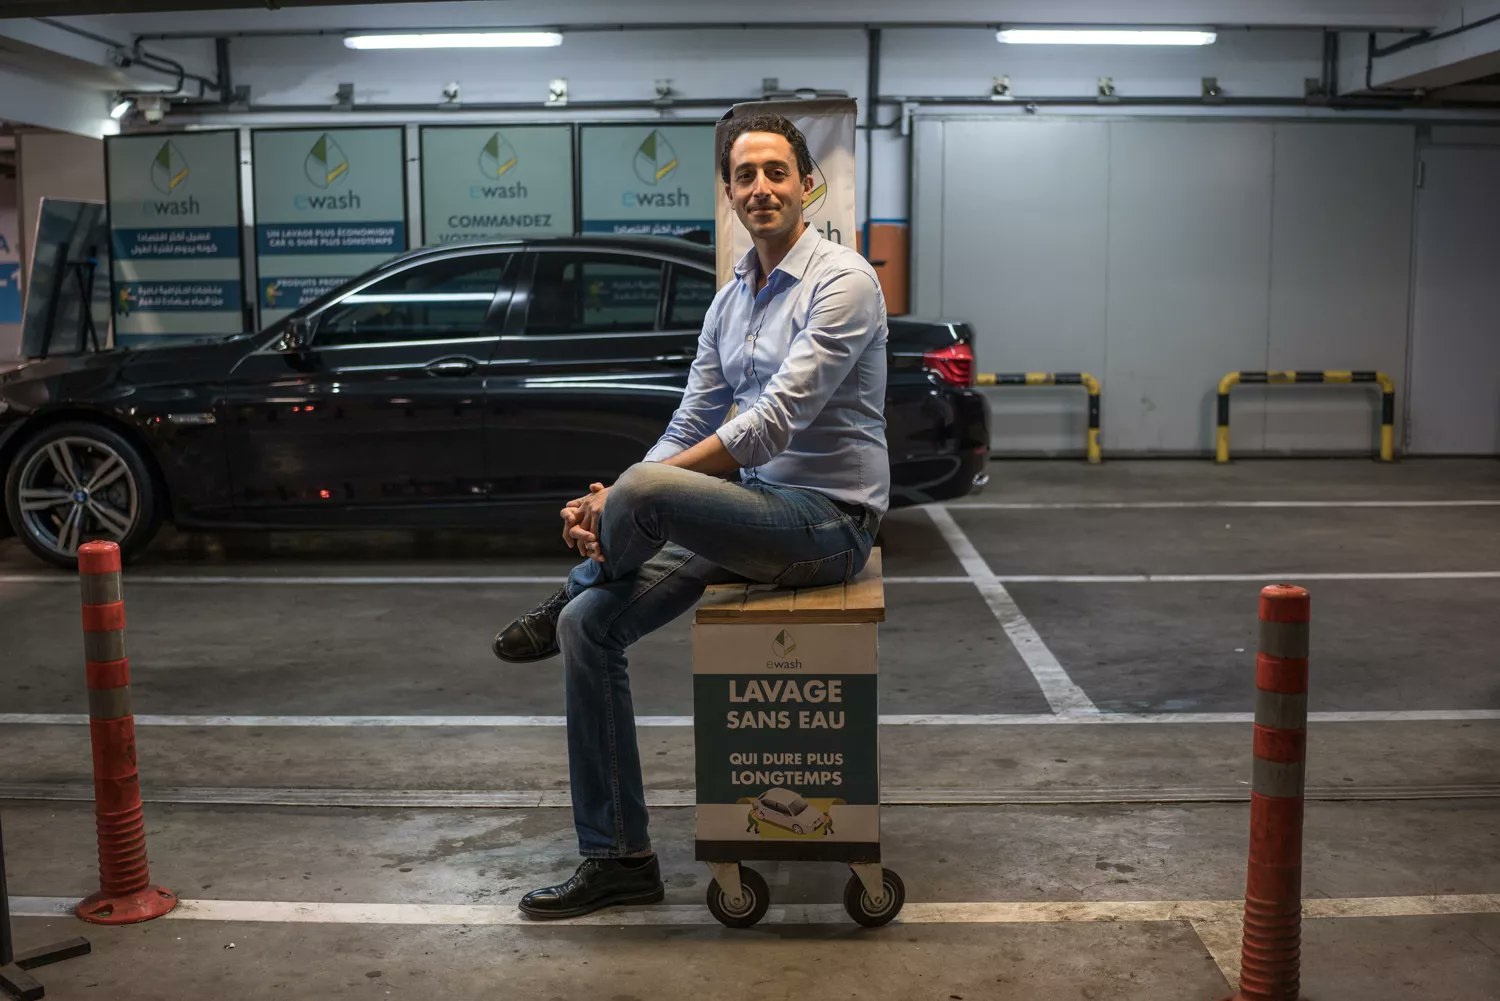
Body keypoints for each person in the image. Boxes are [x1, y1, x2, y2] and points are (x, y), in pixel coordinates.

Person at [493, 114, 889, 919]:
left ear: (806, 183)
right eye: (745, 176)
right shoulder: (729, 301)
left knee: (640, 491)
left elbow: (771, 424)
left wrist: (629, 494)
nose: (762, 189)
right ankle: (619, 856)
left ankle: (577, 578)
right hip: (745, 515)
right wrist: (623, 489)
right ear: (730, 192)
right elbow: (688, 424)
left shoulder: (844, 281)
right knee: (589, 629)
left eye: (777, 172)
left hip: (827, 523)